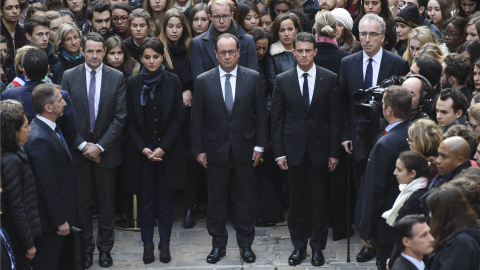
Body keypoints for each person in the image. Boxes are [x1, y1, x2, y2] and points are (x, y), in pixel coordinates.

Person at [190, 33, 267, 264]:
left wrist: (260, 146)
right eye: (222, 52)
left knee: (245, 200)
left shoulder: (252, 77)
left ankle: (246, 245)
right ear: (215, 54)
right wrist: (199, 149)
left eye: (231, 51)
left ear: (238, 53)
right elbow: (196, 120)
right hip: (215, 150)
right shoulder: (203, 80)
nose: (227, 56)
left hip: (245, 149)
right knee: (216, 201)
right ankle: (218, 245)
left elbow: (262, 116)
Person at [339, 13, 409, 263]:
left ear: (383, 36)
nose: (366, 40)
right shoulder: (348, 63)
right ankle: (366, 239)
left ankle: (383, 239)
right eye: (362, 35)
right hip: (359, 139)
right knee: (363, 190)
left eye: (372, 34)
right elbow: (344, 104)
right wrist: (346, 135)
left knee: (386, 189)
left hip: (388, 138)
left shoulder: (397, 63)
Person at [271, 32, 341, 266]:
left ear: (315, 52)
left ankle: (317, 248)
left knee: (320, 203)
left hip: (320, 150)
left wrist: (333, 152)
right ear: (293, 52)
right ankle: (298, 247)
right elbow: (277, 120)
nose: (303, 55)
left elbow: (335, 119)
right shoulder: (282, 80)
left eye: (307, 50)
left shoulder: (329, 78)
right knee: (297, 203)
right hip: (293, 151)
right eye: (299, 50)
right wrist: (279, 152)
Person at [61, 32, 127, 269]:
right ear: (82, 51)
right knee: (82, 205)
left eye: (99, 51)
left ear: (105, 52)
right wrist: (83, 145)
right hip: (78, 154)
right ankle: (86, 249)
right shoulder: (69, 76)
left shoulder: (117, 77)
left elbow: (120, 118)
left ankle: (105, 250)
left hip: (106, 153)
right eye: (90, 51)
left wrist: (99, 146)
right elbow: (64, 116)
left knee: (107, 205)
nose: (95, 55)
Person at [126, 37, 186, 264]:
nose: (151, 61)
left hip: (167, 150)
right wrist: (143, 148)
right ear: (140, 58)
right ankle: (147, 244)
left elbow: (178, 117)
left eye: (156, 57)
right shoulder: (132, 83)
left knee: (166, 199)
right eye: (147, 57)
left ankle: (165, 243)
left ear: (162, 57)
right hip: (142, 150)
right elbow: (130, 119)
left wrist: (163, 148)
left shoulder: (173, 81)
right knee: (145, 200)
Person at [358, 86, 412, 270]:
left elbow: (375, 189)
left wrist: (366, 229)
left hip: (386, 224)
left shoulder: (385, 144)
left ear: (389, 110)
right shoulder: (413, 132)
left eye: (382, 103)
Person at [23, 83, 76, 270]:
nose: (65, 104)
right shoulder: (40, 139)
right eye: (60, 100)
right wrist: (60, 220)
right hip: (50, 223)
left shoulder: (45, 129)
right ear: (48, 107)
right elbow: (47, 184)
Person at [158, 8, 198, 228]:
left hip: (189, 111)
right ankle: (168, 205)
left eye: (178, 26)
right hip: (165, 112)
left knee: (189, 160)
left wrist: (190, 90)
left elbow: (198, 76)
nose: (174, 30)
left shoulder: (193, 46)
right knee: (168, 160)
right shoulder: (159, 48)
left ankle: (191, 205)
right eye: (170, 26)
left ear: (184, 27)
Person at [0, 99, 41, 270]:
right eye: (25, 127)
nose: (29, 129)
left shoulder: (15, 153)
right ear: (14, 132)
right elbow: (16, 207)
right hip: (17, 239)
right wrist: (28, 244)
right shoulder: (11, 160)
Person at [191, 0, 258, 80]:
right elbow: (199, 81)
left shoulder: (248, 40)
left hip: (242, 91)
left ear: (232, 15)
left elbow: (253, 77)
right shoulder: (198, 43)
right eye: (217, 16)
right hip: (211, 91)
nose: (221, 21)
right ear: (210, 17)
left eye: (225, 16)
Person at [426, 183, 480, 269]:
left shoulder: (462, 243)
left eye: (433, 211)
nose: (430, 215)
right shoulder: (457, 234)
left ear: (444, 213)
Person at [383, 151, 434, 228]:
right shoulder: (409, 190)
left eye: (399, 170)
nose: (395, 173)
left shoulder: (416, 200)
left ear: (412, 174)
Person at [24, 15, 64, 84]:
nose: (45, 38)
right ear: (28, 36)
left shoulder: (56, 62)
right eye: (40, 34)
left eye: (47, 34)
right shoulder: (20, 60)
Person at [265, 13, 301, 91]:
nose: (286, 34)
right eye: (282, 30)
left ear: (296, 30)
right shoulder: (272, 53)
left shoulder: (304, 50)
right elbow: (273, 82)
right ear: (277, 32)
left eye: (290, 29)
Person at [1, 0, 27, 68]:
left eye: (17, 7)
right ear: (1, 12)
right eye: (9, 8)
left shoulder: (26, 31)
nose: (15, 11)